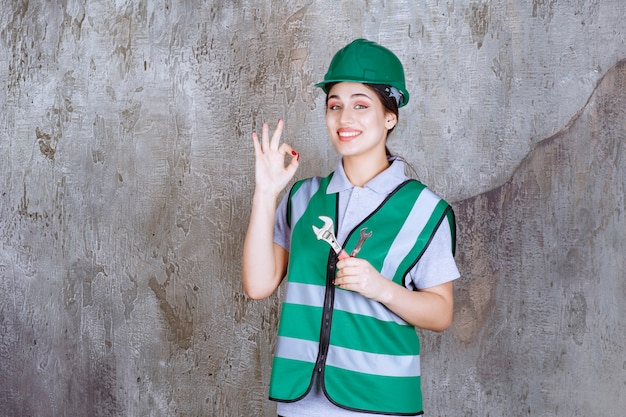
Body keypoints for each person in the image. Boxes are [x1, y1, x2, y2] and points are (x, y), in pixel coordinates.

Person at [242, 38, 460, 417]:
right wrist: (265, 192)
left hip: (381, 404)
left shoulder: (427, 211)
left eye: (361, 105)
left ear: (389, 116)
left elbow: (440, 313)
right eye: (334, 106)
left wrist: (382, 289)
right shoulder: (303, 198)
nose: (345, 119)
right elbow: (258, 285)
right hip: (300, 404)